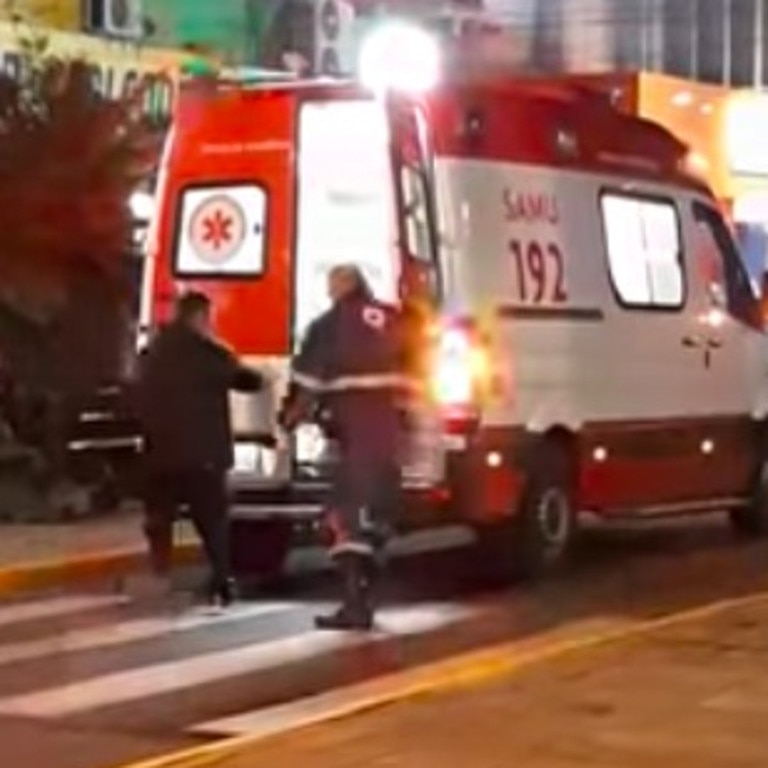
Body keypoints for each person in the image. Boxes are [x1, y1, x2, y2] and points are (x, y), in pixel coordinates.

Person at [279, 265, 407, 630]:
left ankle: (355, 605)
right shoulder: (393, 320)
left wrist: (289, 420)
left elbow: (307, 388)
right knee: (374, 523)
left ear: (341, 288)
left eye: (331, 285)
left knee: (342, 520)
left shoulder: (328, 327)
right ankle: (366, 596)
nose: (329, 291)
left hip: (355, 440)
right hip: (389, 440)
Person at [135, 291, 263, 606]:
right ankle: (221, 581)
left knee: (159, 517)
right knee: (212, 521)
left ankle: (160, 572)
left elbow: (135, 390)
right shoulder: (210, 354)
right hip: (201, 454)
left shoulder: (153, 351)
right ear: (200, 318)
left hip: (160, 451)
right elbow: (248, 381)